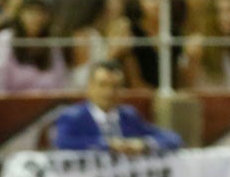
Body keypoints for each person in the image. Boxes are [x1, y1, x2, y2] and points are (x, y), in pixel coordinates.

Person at [52, 60, 181, 152]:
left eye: (115, 87)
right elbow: (62, 142)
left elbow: (173, 139)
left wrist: (143, 144)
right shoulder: (73, 116)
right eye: (102, 85)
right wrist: (107, 145)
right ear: (90, 87)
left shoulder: (128, 116)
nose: (109, 92)